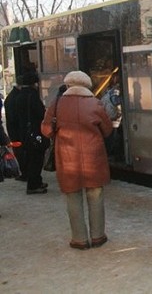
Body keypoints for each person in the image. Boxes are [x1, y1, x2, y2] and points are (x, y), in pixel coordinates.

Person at [41, 71, 113, 250]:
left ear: (67, 85)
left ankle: (79, 239)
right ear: (87, 85)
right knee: (95, 195)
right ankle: (98, 236)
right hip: (93, 157)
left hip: (67, 158)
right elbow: (108, 129)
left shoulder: (57, 104)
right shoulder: (95, 103)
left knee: (73, 197)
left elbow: (46, 130)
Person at [5, 72, 48, 194]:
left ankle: (35, 181)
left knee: (30, 157)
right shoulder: (31, 96)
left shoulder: (17, 97)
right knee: (36, 158)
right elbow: (40, 113)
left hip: (24, 132)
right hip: (35, 132)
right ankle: (34, 184)